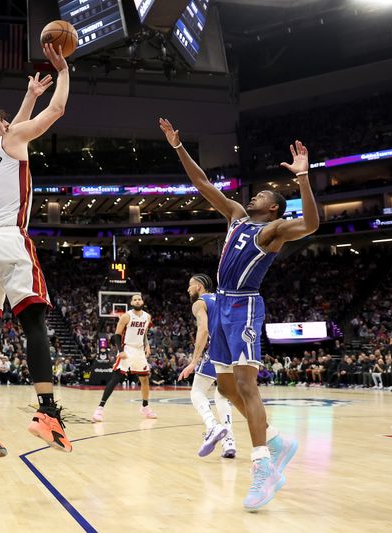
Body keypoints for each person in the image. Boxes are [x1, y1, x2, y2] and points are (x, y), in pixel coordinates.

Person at [160, 118, 318, 511]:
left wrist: (303, 179)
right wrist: (179, 147)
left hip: (245, 305)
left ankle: (263, 466)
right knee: (227, 390)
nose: (255, 197)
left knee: (247, 386)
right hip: (222, 306)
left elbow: (313, 223)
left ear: (274, 208)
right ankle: (278, 440)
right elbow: (202, 185)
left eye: (263, 195)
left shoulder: (273, 231)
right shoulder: (235, 216)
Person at [0, 43, 71, 458]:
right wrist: (63, 73)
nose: (10, 121)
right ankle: (46, 412)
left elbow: (15, 136)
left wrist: (28, 96)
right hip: (10, 238)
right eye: (3, 118)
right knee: (34, 324)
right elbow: (55, 113)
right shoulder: (10, 141)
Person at [178, 274, 236, 459]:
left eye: (190, 285)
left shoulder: (200, 303)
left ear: (199, 286)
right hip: (235, 349)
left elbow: (203, 330)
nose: (188, 289)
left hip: (219, 349)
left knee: (196, 391)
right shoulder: (221, 298)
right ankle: (229, 443)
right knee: (222, 396)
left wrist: (194, 361)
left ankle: (212, 426)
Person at [92, 294, 157, 422]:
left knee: (145, 379)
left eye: (139, 299)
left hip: (139, 351)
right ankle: (99, 409)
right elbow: (116, 335)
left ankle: (145, 406)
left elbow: (144, 334)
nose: (137, 301)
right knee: (116, 378)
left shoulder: (147, 317)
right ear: (131, 302)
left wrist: (147, 345)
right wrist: (120, 351)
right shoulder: (126, 316)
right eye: (135, 299)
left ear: (142, 301)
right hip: (127, 349)